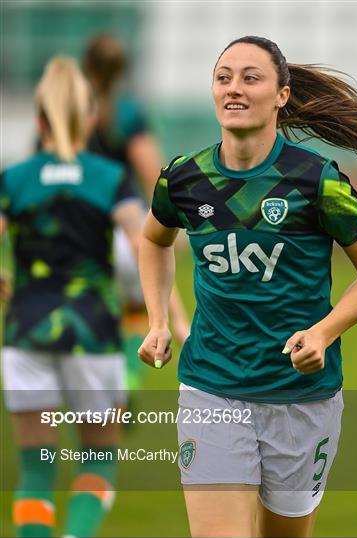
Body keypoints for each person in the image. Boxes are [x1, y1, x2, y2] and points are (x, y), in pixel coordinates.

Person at [137, 36, 357, 538]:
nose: (234, 88)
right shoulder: (183, 178)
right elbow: (153, 240)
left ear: (281, 94)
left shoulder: (317, 181)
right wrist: (157, 321)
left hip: (301, 397)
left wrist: (322, 333)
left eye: (250, 78)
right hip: (212, 385)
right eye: (223, 77)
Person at [0, 56, 142, 538]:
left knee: (36, 470)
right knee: (98, 462)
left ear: (38, 120)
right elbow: (143, 249)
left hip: (25, 332)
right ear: (93, 118)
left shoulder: (14, 178)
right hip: (93, 334)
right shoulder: (108, 177)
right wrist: (168, 316)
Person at [82, 34, 190, 388]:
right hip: (123, 229)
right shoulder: (128, 112)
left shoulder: (70, 109)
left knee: (85, 307)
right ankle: (127, 378)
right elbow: (150, 170)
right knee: (136, 304)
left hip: (78, 230)